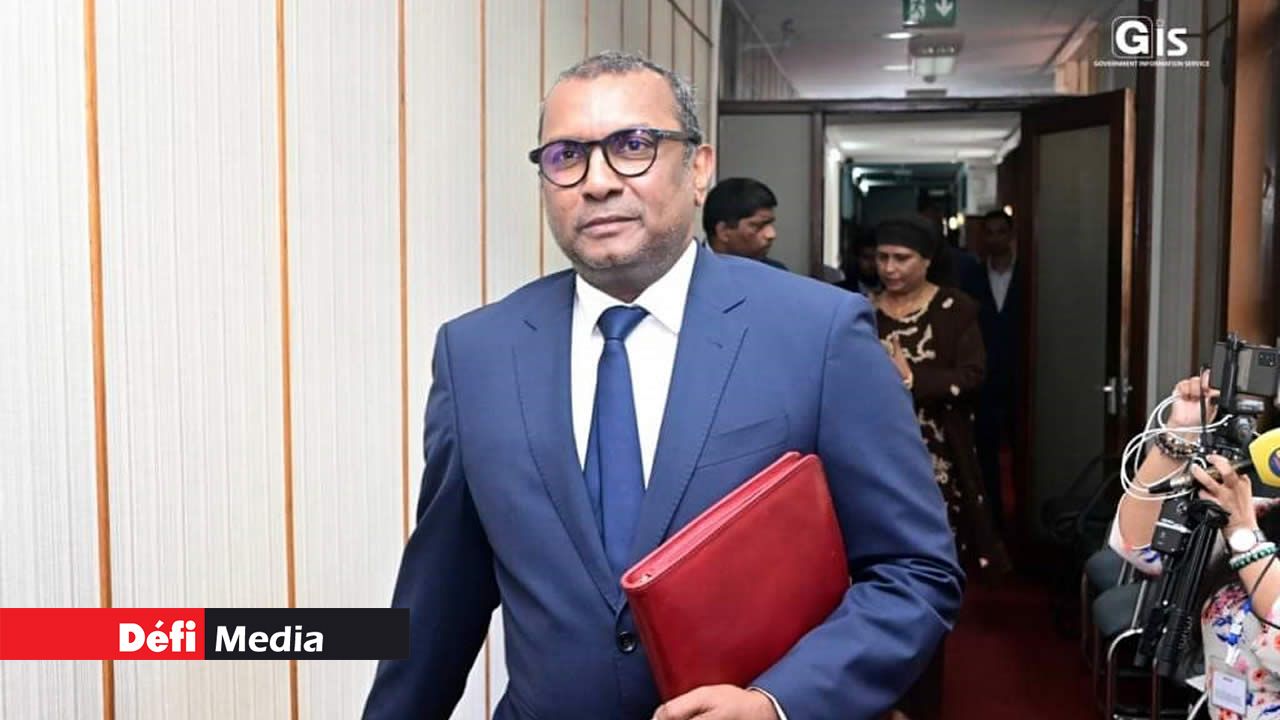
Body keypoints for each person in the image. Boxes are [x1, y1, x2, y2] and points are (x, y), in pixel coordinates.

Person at [362, 51, 963, 720]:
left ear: (698, 168)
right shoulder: (477, 354)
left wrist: (777, 703)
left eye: (633, 146)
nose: (597, 182)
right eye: (566, 156)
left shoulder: (817, 333)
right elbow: (440, 600)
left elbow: (914, 572)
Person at [1112, 373, 1280, 718]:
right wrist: (1179, 433)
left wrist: (1243, 535)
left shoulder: (1246, 529)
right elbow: (1140, 547)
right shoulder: (1262, 517)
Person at [871, 216, 1009, 578]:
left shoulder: (955, 309)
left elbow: (973, 375)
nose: (889, 268)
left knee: (938, 549)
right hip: (878, 450)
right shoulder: (863, 312)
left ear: (927, 260)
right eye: (883, 257)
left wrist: (912, 379)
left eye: (901, 258)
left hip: (941, 450)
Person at [960, 209, 1023, 533]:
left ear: (1011, 235)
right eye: (990, 232)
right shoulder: (970, 278)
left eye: (1002, 231)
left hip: (1022, 378)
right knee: (985, 453)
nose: (996, 238)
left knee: (1023, 450)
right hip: (983, 380)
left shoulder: (1028, 275)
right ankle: (992, 523)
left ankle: (1023, 520)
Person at [703, 177, 788, 270]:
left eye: (770, 223)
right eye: (758, 226)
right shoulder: (693, 272)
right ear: (723, 231)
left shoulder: (777, 272)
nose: (771, 234)